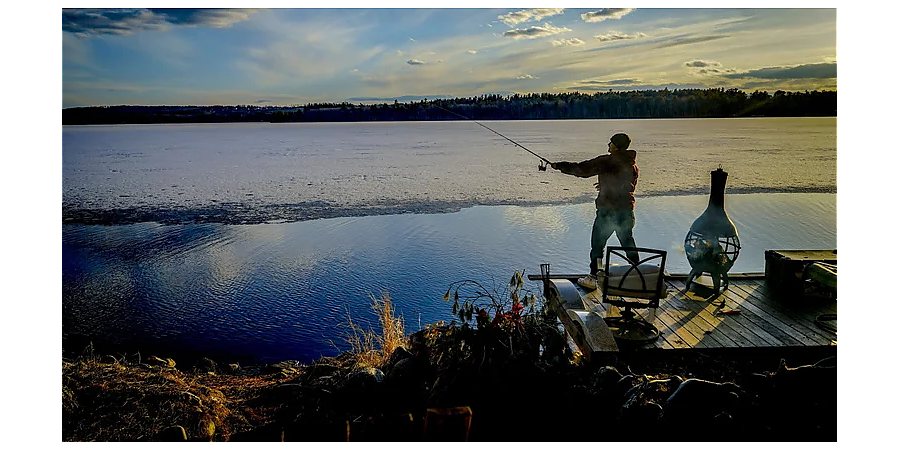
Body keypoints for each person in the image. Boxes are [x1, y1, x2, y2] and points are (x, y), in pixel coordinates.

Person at [551, 132, 640, 290]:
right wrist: (606, 185)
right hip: (626, 210)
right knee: (628, 243)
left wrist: (559, 166)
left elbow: (582, 169)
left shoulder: (608, 161)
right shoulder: (631, 164)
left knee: (598, 245)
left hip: (608, 212)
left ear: (616, 146)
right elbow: (625, 184)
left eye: (611, 142)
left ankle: (593, 277)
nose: (608, 145)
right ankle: (638, 274)